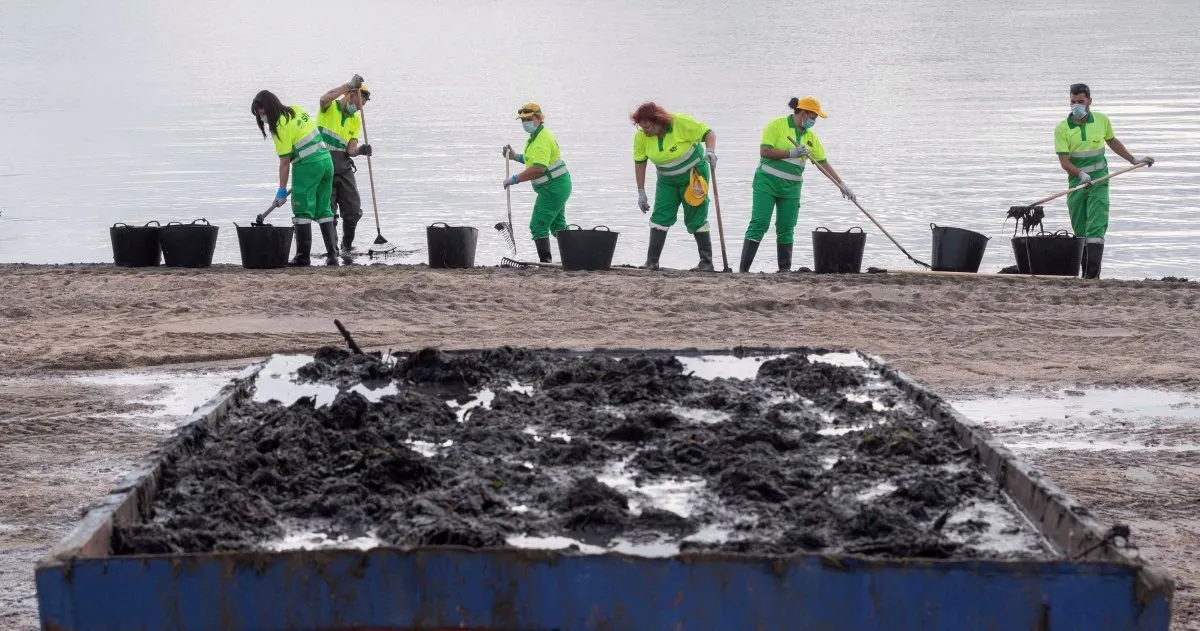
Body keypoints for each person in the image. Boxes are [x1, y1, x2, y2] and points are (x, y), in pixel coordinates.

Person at [740, 97, 855, 273]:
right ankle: (743, 270)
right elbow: (765, 151)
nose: (813, 121)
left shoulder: (810, 137)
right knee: (759, 223)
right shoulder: (776, 126)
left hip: (791, 188)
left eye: (815, 118)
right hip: (766, 183)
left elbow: (822, 162)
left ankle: (784, 270)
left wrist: (841, 184)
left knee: (786, 227)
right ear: (802, 113)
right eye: (813, 117)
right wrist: (791, 153)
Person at [1055, 83, 1154, 279]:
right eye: (1073, 102)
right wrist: (1080, 174)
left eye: (1081, 102)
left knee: (1096, 227)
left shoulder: (1101, 120)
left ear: (1089, 101)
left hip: (1100, 181)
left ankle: (1092, 276)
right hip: (1077, 184)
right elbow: (1064, 162)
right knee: (1080, 228)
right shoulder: (1062, 129)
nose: (1077, 106)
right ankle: (1084, 275)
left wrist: (1134, 160)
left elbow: (1113, 142)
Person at [251, 90, 337, 266]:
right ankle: (333, 256)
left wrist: (281, 191)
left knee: (302, 210)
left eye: (262, 113)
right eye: (259, 116)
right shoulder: (296, 110)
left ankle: (303, 257)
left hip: (308, 166)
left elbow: (284, 163)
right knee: (323, 208)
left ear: (268, 108)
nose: (262, 119)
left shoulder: (280, 127)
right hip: (326, 162)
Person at [630, 102, 718, 271]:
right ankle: (652, 262)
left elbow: (708, 133)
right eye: (642, 127)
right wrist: (641, 191)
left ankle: (706, 262)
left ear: (658, 122)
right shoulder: (641, 136)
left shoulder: (679, 122)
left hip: (693, 175)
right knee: (660, 216)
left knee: (695, 215)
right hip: (666, 180)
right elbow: (640, 162)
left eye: (648, 127)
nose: (645, 131)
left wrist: (710, 151)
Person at [501, 103, 572, 262]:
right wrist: (516, 156)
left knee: (537, 226)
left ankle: (545, 262)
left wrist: (515, 179)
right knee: (558, 227)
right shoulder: (535, 137)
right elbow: (533, 159)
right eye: (522, 120)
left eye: (528, 119)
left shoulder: (542, 139)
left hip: (553, 188)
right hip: (557, 186)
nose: (525, 123)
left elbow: (539, 168)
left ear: (539, 118)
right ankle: (575, 258)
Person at [317, 74, 373, 253]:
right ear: (350, 96)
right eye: (358, 104)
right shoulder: (329, 107)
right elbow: (324, 97)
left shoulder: (355, 120)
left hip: (343, 166)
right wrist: (348, 85)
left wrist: (361, 150)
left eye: (361, 107)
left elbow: (351, 150)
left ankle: (346, 246)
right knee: (329, 212)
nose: (358, 109)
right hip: (324, 166)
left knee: (353, 210)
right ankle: (332, 249)